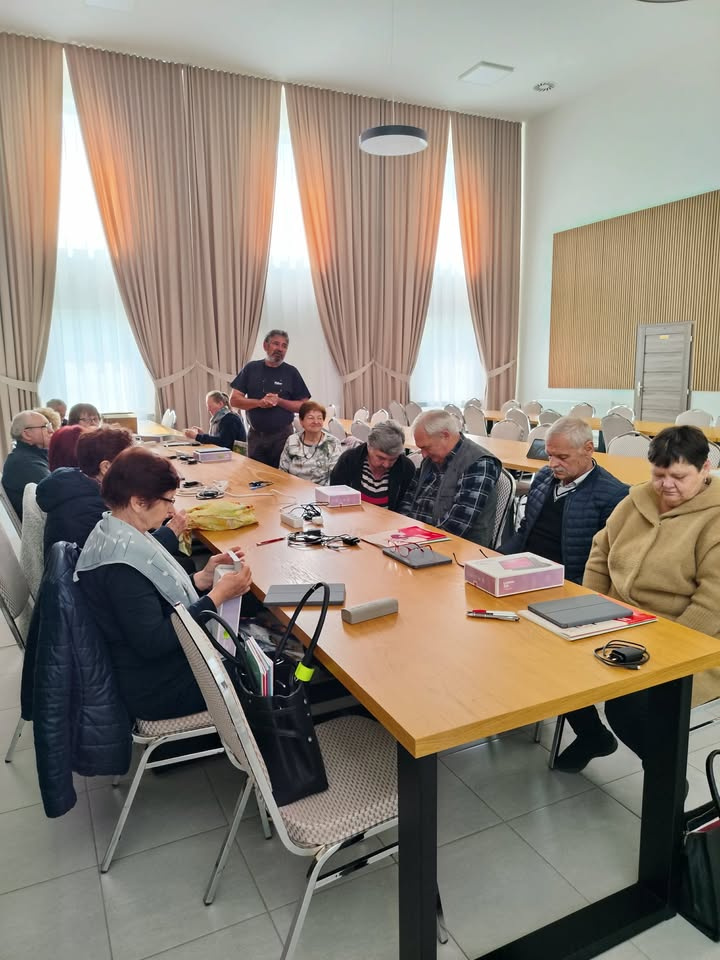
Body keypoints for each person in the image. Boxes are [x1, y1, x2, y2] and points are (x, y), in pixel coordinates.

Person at [578, 425, 720, 767]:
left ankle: (666, 779)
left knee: (629, 705)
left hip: (687, 639)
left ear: (705, 469)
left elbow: (711, 604)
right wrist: (588, 610)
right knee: (553, 664)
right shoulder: (636, 499)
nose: (666, 485)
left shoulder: (714, 518)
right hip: (620, 622)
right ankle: (592, 736)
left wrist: (664, 652)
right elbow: (600, 553)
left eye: (678, 476)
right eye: (659, 475)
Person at [75, 447, 252, 720]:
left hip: (152, 667)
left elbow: (151, 596)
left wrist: (202, 579)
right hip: (157, 687)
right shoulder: (121, 567)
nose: (171, 510)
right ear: (138, 502)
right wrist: (216, 596)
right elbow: (155, 642)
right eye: (168, 500)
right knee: (256, 668)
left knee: (247, 645)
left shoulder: (116, 530)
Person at [501, 416, 630, 772]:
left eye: (562, 457)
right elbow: (524, 533)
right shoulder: (545, 478)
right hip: (528, 576)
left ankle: (592, 733)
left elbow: (605, 564)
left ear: (589, 450)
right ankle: (516, 701)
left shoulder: (613, 495)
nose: (553, 464)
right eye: (550, 455)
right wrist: (494, 562)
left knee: (547, 653)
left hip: (570, 588)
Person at [37, 425, 187, 555]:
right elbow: (127, 556)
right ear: (106, 467)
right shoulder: (87, 508)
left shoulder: (78, 484)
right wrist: (170, 532)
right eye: (131, 462)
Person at [400, 409, 501, 546]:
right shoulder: (431, 459)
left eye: (426, 447)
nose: (423, 454)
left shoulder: (478, 463)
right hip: (415, 540)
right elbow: (409, 499)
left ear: (445, 435)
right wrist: (402, 531)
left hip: (456, 548)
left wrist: (412, 540)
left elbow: (456, 526)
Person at [229, 329, 310, 468]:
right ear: (265, 346)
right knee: (255, 475)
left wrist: (279, 401)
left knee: (282, 476)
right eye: (276, 344)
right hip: (256, 436)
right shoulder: (251, 368)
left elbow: (304, 407)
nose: (280, 349)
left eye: (284, 346)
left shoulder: (291, 372)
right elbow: (234, 400)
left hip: (283, 436)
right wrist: (259, 403)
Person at [330, 419, 415, 510]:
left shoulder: (406, 468)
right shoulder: (349, 460)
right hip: (350, 516)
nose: (386, 465)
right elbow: (335, 496)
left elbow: (407, 506)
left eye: (392, 459)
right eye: (381, 458)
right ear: (369, 446)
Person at [2, 410, 52, 518]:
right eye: (46, 426)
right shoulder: (23, 463)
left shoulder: (32, 456)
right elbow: (56, 493)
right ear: (27, 434)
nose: (51, 431)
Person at [279, 401, 342, 484]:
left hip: (321, 489)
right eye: (311, 418)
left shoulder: (332, 442)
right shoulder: (292, 440)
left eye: (319, 418)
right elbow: (282, 470)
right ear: (301, 421)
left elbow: (335, 476)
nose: (316, 421)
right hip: (293, 487)